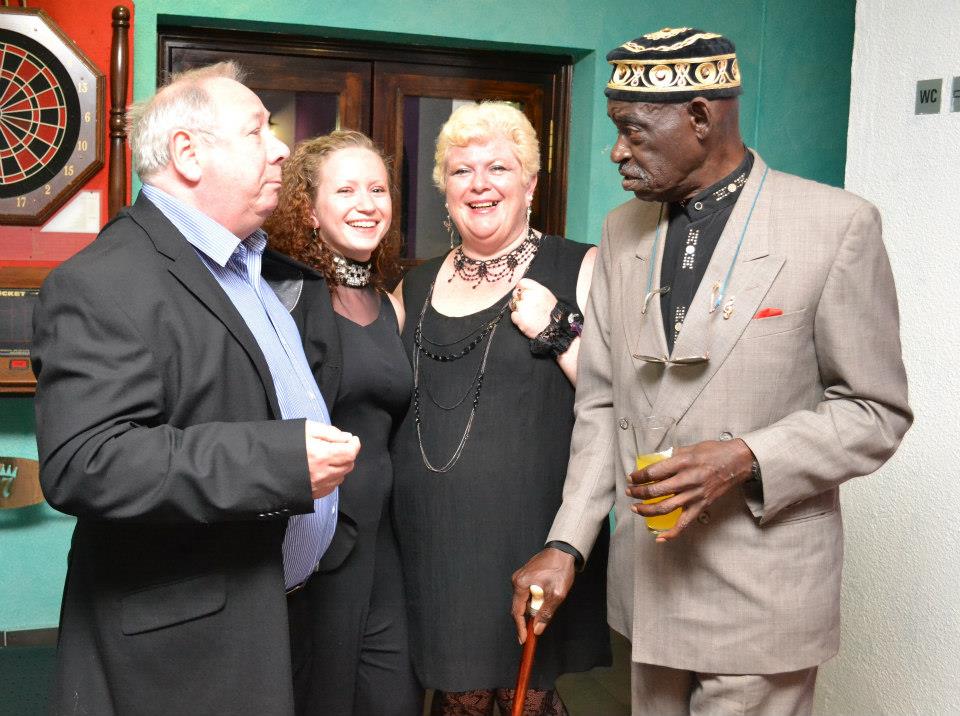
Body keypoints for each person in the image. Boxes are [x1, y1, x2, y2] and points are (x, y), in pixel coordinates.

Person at [512, 27, 913, 715]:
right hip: (652, 593)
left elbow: (877, 412)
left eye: (634, 131)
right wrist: (565, 544)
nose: (616, 151)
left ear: (700, 118)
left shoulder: (838, 226)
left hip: (765, 600)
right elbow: (601, 408)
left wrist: (743, 457)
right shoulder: (620, 231)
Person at [31, 62, 361, 715]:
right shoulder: (105, 281)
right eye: (257, 130)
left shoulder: (252, 267)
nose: (280, 148)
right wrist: (279, 461)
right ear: (188, 153)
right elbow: (85, 463)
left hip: (277, 610)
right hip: (185, 653)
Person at [391, 101, 611, 716]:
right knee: (455, 694)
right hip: (430, 537)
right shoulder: (414, 284)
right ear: (444, 190)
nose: (480, 184)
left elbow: (620, 399)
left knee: (526, 694)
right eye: (462, 172)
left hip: (533, 532)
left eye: (499, 168)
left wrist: (558, 329)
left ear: (530, 184)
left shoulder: (581, 267)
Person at [263, 130, 420, 715]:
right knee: (322, 699)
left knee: (393, 698)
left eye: (377, 189)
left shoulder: (387, 302)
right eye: (346, 189)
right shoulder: (286, 298)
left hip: (384, 542)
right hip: (322, 539)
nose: (367, 203)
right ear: (308, 207)